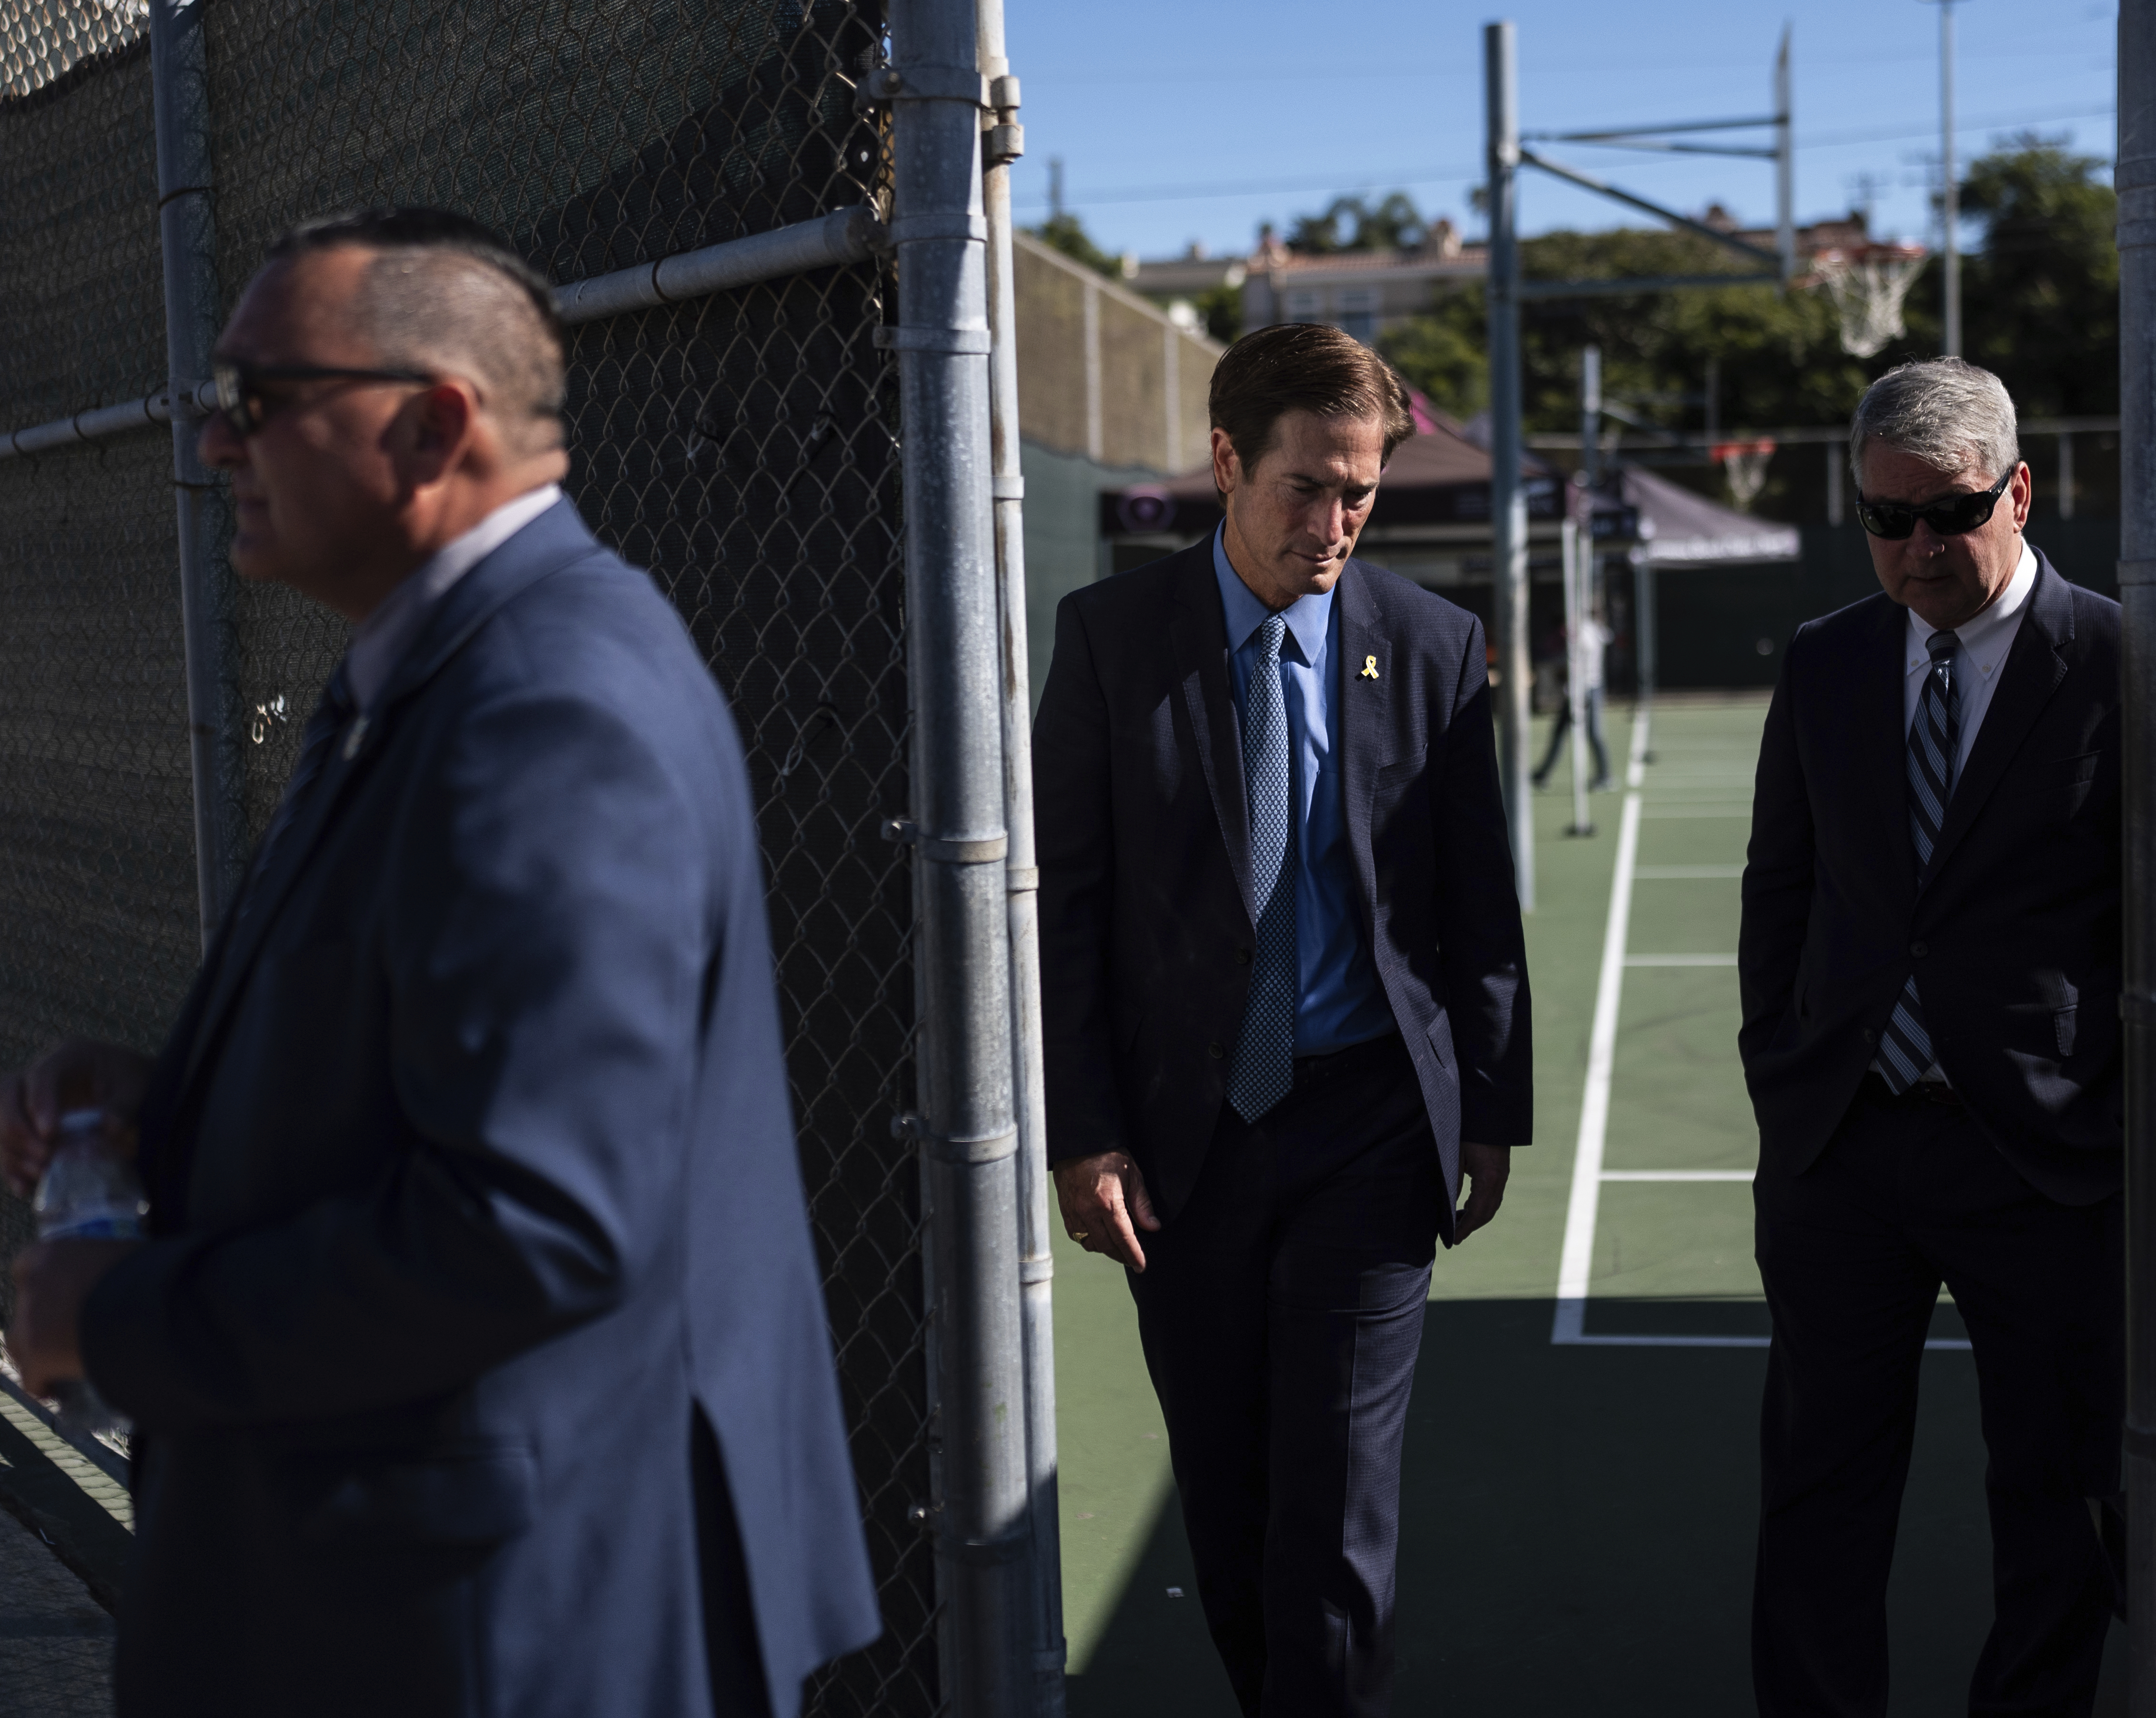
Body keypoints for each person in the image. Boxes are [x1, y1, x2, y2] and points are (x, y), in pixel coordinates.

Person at [1, 208, 878, 1717]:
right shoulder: (453, 666)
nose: (216, 446)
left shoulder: (549, 707)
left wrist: (119, 1315)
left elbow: (538, 1219)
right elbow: (451, 1081)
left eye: (255, 401)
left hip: (496, 1630)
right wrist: (181, 1102)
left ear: (431, 424)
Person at [1034, 321, 1531, 1718]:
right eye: (1303, 485)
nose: (1332, 522)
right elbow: (1062, 913)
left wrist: (1489, 1104)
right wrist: (1084, 1134)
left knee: (1333, 1513)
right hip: (1180, 1147)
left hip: (1369, 1128)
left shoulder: (1428, 647)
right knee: (1232, 1505)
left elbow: (1471, 897)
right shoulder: (1109, 640)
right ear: (1222, 463)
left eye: (1359, 491)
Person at [1737, 358, 2156, 1716]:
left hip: (2049, 1162)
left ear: (2019, 491)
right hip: (1845, 1144)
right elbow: (1780, 888)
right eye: (1884, 520)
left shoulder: (2133, 662)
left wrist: (2135, 1136)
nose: (1917, 549)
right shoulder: (1828, 658)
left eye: (1949, 514)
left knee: (2055, 1498)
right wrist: (1785, 1075)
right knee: (1820, 1481)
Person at [1532, 608, 1611, 792]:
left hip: (1585, 690)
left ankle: (1606, 775)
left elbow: (1573, 664)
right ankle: (1543, 773)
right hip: (1584, 689)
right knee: (1561, 732)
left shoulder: (1584, 635)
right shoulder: (1592, 631)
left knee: (1593, 734)